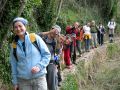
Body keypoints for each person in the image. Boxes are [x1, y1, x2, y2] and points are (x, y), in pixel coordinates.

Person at [10, 17, 51, 90]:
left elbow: (47, 55)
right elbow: (14, 64)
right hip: (23, 81)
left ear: (25, 27)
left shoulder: (35, 38)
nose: (18, 29)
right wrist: (15, 82)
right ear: (13, 30)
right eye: (15, 27)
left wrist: (39, 66)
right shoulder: (14, 45)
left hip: (39, 79)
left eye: (20, 26)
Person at [38, 25, 62, 89]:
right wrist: (49, 32)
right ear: (51, 29)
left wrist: (58, 42)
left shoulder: (56, 40)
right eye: (54, 30)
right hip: (41, 61)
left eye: (57, 32)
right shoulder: (43, 37)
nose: (54, 33)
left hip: (51, 62)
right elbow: (35, 35)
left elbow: (57, 53)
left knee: (52, 79)